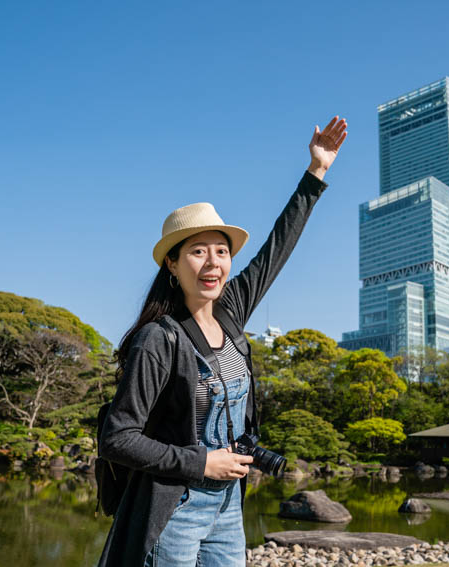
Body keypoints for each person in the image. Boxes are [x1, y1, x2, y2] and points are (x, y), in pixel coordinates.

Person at [97, 116, 348, 567]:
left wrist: (316, 173)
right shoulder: (159, 340)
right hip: (176, 509)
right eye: (197, 251)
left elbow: (277, 248)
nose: (212, 262)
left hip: (229, 508)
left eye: (221, 250)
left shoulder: (231, 314)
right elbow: (118, 438)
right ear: (172, 265)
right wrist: (201, 463)